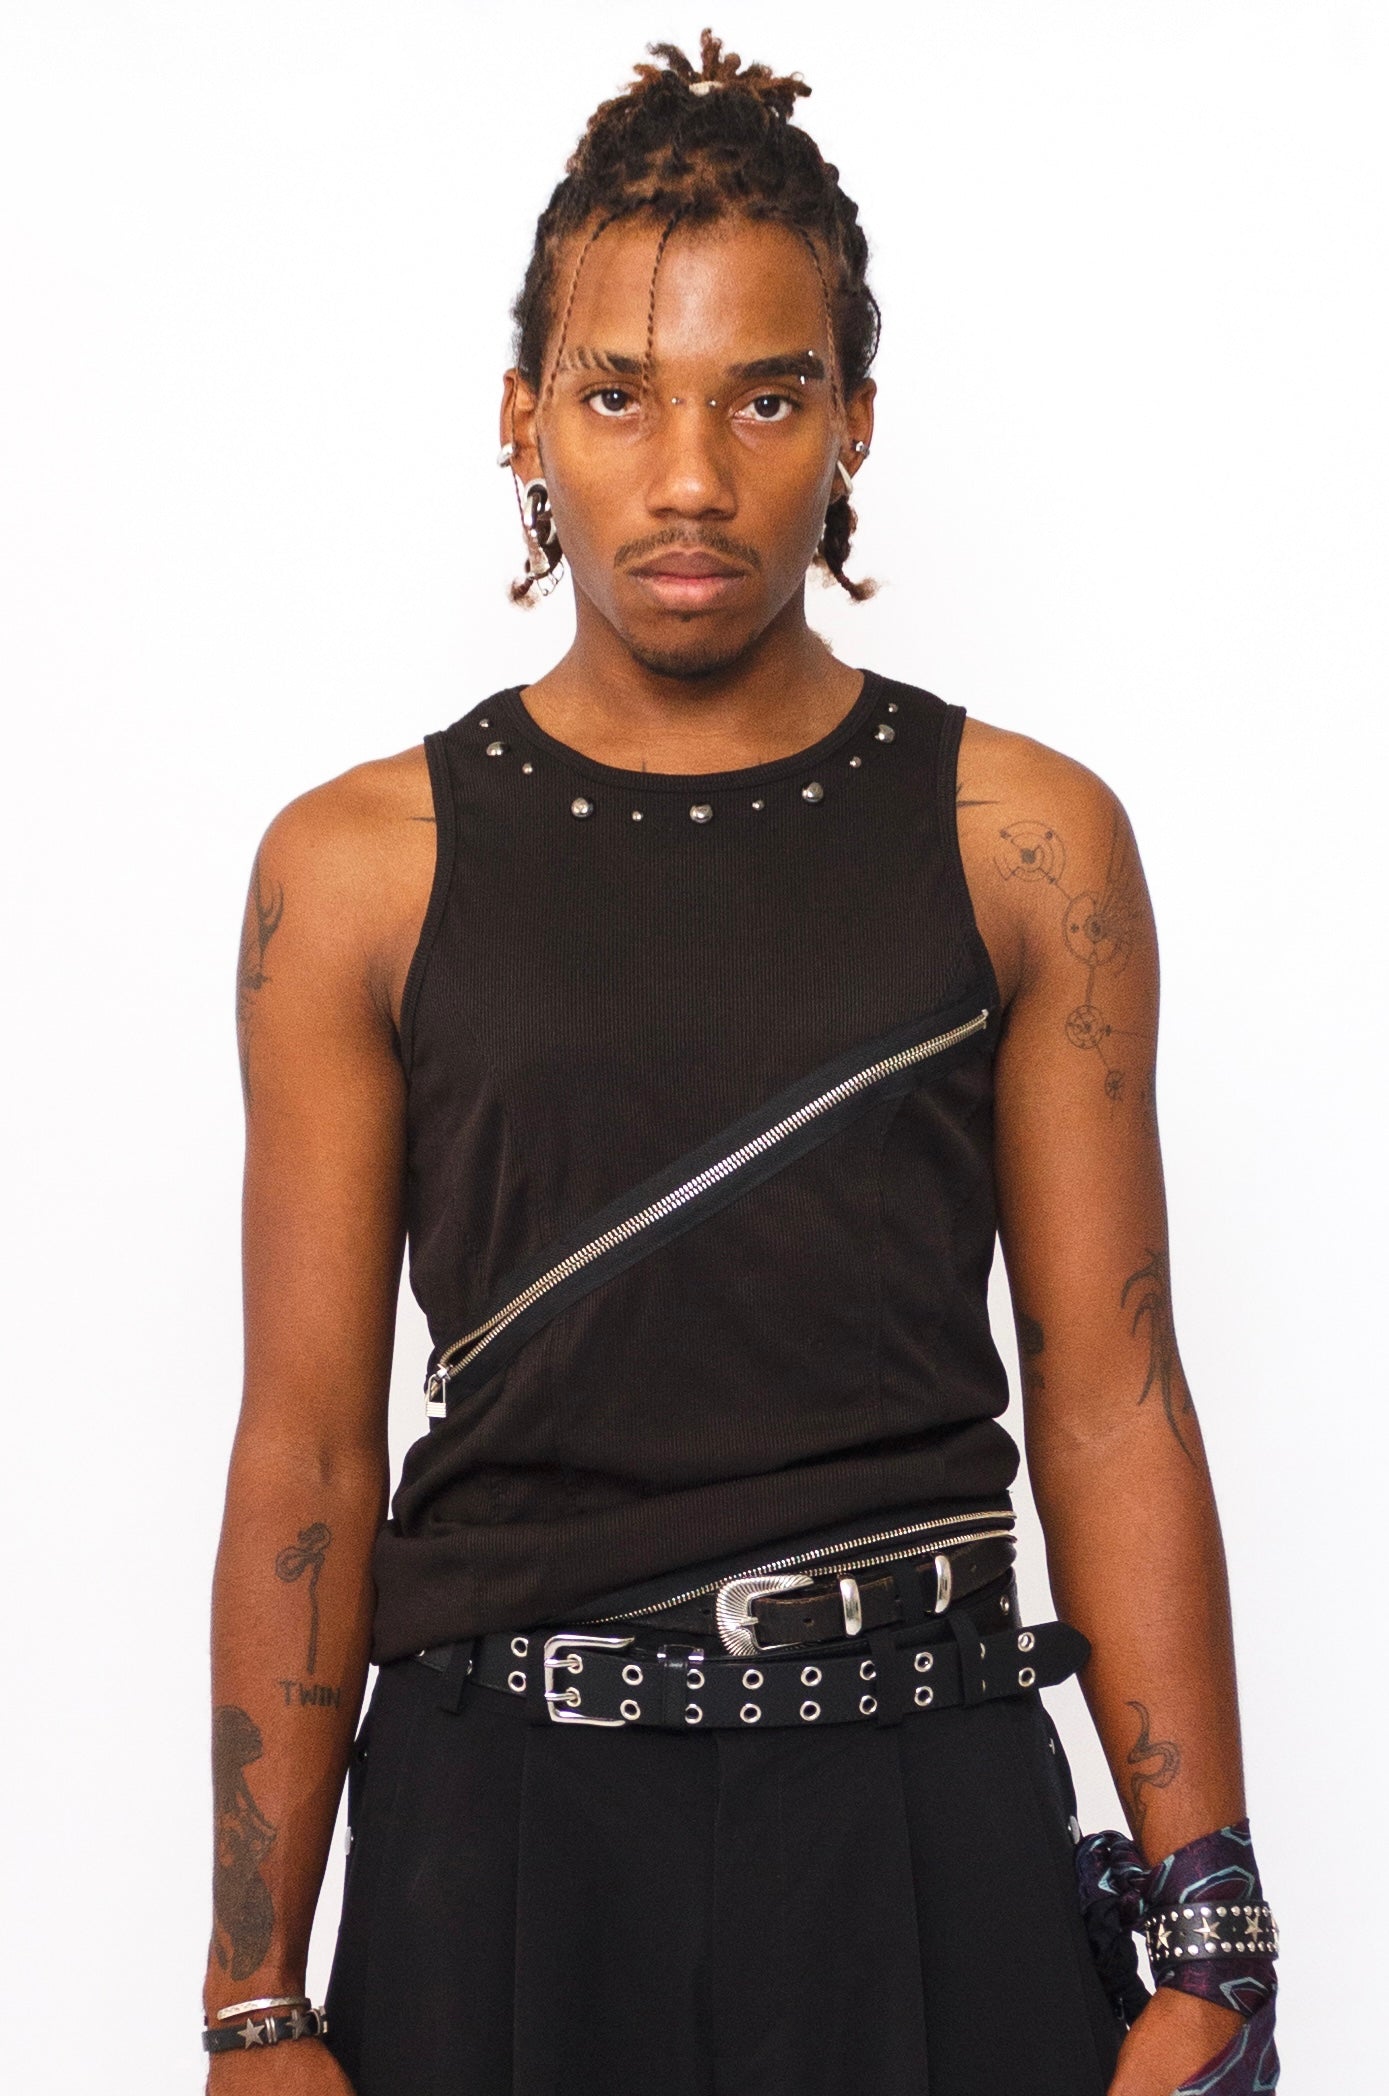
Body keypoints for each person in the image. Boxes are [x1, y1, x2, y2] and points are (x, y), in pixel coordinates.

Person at [203, 31, 1277, 2096]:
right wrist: (253, 1993)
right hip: (501, 1826)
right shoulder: (350, 872)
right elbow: (307, 1450)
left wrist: (1211, 1931)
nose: (686, 476)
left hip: (919, 1801)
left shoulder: (1025, 841)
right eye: (616, 394)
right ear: (522, 417)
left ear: (851, 418)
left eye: (762, 396)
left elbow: (1109, 1394)